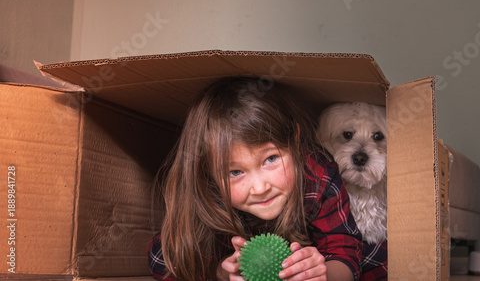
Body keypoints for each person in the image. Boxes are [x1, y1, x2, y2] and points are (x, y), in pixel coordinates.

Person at [148, 77, 363, 281]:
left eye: (270, 159)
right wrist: (220, 274)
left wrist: (322, 274)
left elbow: (345, 250)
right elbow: (162, 259)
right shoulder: (205, 195)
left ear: (296, 142)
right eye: (235, 172)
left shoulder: (318, 173)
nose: (260, 188)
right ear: (208, 175)